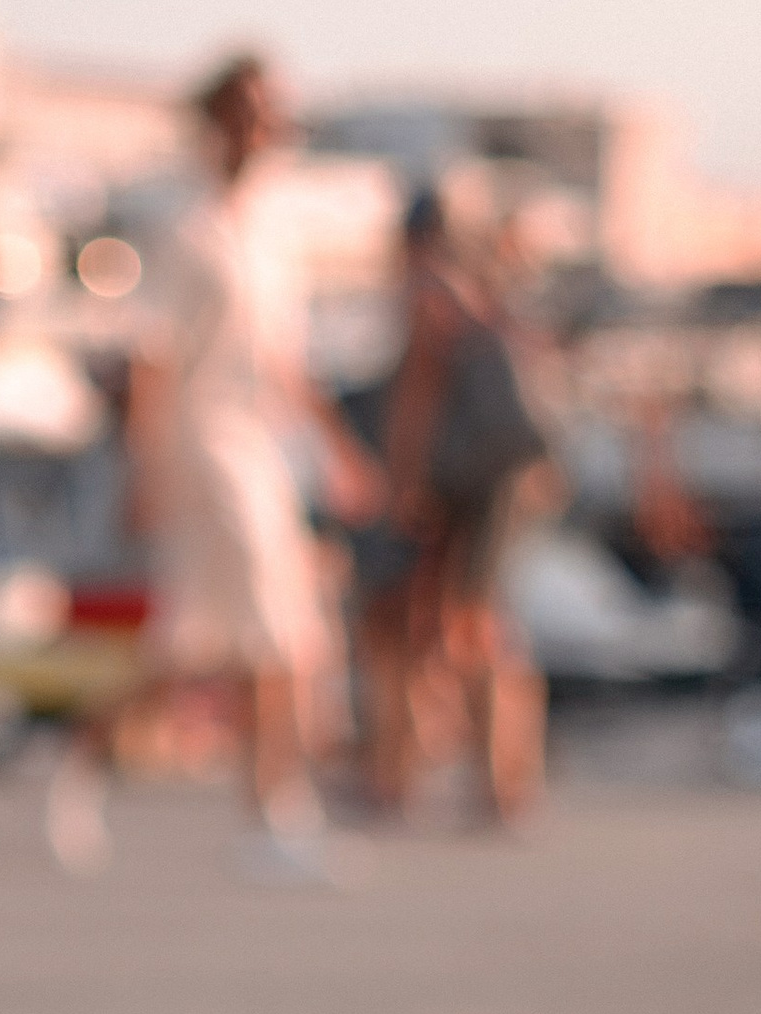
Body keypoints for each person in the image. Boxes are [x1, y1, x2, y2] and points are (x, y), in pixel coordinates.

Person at [57, 54, 371, 881]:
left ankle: (82, 765)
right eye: (251, 114)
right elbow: (152, 362)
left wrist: (338, 451)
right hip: (205, 450)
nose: (263, 131)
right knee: (277, 637)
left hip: (261, 449)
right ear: (219, 123)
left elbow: (286, 361)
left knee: (196, 645)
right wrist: (145, 473)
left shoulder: (271, 232)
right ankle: (276, 820)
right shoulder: (186, 231)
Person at [348, 186, 551, 824]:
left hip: (468, 480)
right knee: (473, 625)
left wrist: (403, 483)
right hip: (504, 477)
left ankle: (440, 781)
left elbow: (420, 391)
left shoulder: (429, 291)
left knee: (458, 628)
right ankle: (499, 781)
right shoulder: (484, 289)